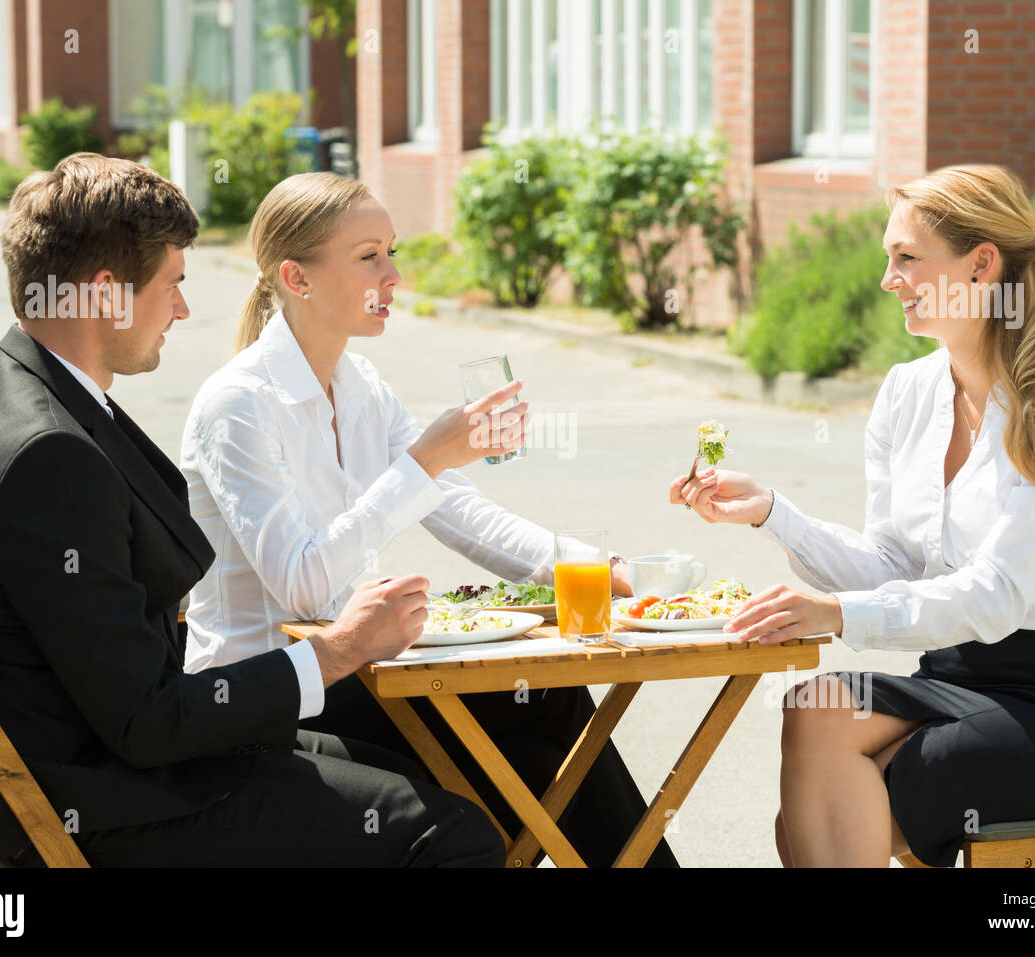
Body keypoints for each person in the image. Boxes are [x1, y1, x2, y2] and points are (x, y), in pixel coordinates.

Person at [0, 153, 503, 867]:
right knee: (450, 832)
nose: (183, 308)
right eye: (173, 284)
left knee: (446, 770)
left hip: (76, 766)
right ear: (106, 295)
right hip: (90, 811)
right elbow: (146, 721)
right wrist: (336, 649)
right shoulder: (46, 455)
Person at [180, 172, 677, 867]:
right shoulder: (238, 405)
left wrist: (598, 567)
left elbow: (460, 510)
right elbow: (301, 584)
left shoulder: (361, 386)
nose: (395, 274)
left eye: (391, 251)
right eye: (369, 257)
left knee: (550, 702)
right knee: (494, 778)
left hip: (358, 674)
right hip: (272, 700)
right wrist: (421, 462)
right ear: (298, 277)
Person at [671, 164, 1035, 868]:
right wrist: (773, 514)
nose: (889, 279)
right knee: (816, 712)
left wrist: (835, 611)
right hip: (949, 678)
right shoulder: (906, 393)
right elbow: (891, 566)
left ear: (982, 265)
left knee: (812, 817)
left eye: (907, 258)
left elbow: (997, 595)